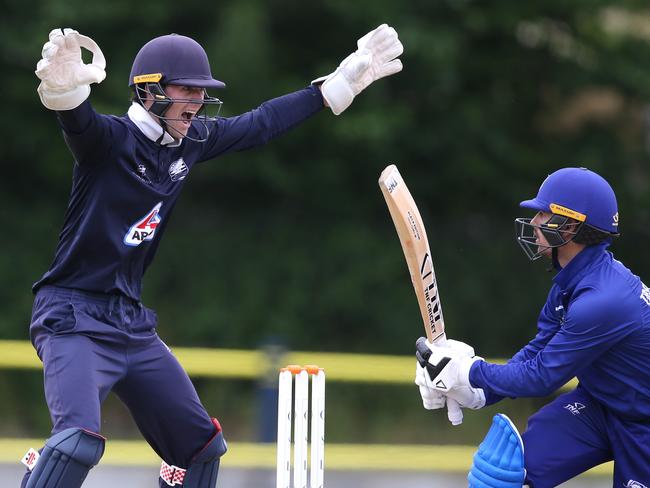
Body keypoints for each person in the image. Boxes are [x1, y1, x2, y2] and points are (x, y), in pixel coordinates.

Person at [25, 25, 403, 488]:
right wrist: (64, 93)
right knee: (77, 444)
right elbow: (79, 125)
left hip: (130, 322)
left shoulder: (190, 141)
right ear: (150, 92)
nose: (198, 102)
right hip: (72, 316)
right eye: (188, 90)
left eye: (203, 92)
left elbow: (260, 124)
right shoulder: (109, 141)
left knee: (201, 450)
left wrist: (332, 89)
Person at [415, 167, 650, 487]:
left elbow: (542, 376)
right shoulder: (572, 281)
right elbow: (537, 352)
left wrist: (469, 372)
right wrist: (480, 391)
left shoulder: (603, 300)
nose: (535, 223)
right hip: (599, 405)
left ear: (571, 226)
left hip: (644, 423)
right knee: (499, 474)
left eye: (543, 214)